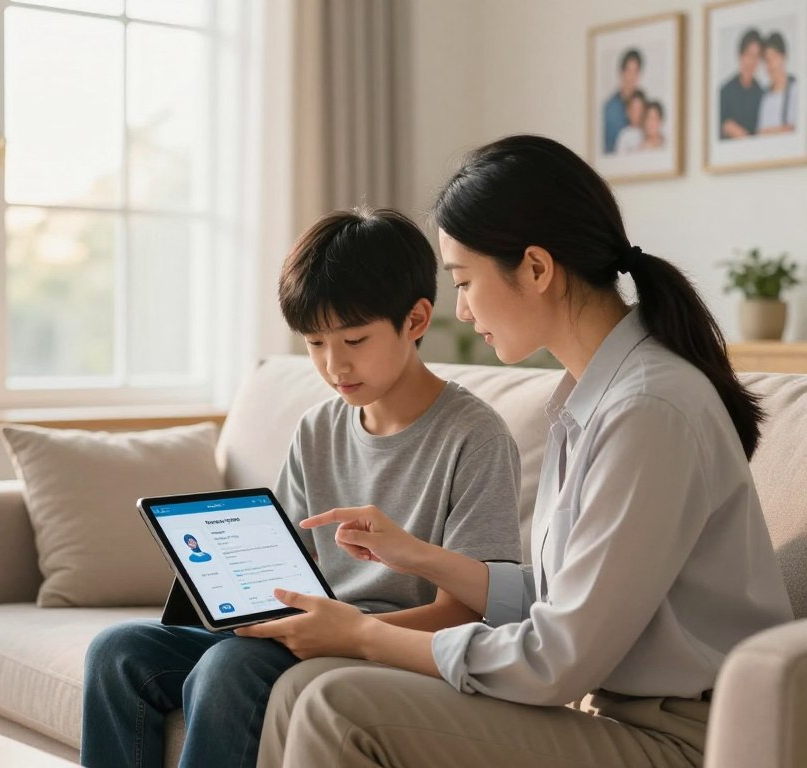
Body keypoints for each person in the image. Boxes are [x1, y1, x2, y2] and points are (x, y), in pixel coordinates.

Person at [238, 135, 794, 768]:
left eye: (465, 281)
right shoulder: (592, 397)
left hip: (690, 740)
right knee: (302, 692)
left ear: (535, 268)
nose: (463, 311)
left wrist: (365, 635)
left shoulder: (647, 412)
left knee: (333, 703)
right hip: (620, 714)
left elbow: (555, 658)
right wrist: (421, 558)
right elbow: (566, 595)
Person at [79, 207, 523, 768]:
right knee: (118, 652)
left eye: (355, 339)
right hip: (308, 630)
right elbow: (287, 559)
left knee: (229, 667)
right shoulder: (320, 427)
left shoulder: (474, 436)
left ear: (415, 320)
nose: (335, 364)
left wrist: (349, 630)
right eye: (315, 344)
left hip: (388, 649)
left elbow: (464, 615)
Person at [720, 28, 764, 139]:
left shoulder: (761, 93)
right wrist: (727, 127)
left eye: (756, 57)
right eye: (748, 54)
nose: (752, 61)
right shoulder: (725, 91)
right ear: (740, 56)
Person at [757, 31, 797, 135]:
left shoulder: (797, 90)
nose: (770, 65)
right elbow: (760, 133)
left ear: (784, 57)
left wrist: (771, 132)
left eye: (774, 57)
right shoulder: (764, 98)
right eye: (767, 60)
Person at [603, 48, 642, 153]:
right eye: (628, 70)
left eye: (635, 71)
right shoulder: (610, 108)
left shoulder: (644, 103)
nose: (631, 77)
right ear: (622, 72)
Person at [614, 89, 647, 154]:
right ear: (627, 112)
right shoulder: (624, 135)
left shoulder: (649, 130)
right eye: (634, 109)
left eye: (640, 109)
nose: (637, 113)